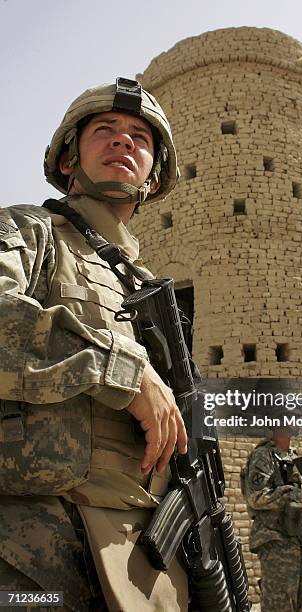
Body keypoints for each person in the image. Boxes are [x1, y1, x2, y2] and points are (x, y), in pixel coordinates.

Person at [0, 77, 189, 611]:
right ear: (68, 161)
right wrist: (120, 370)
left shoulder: (149, 290)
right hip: (33, 542)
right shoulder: (31, 232)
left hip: (144, 545)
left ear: (153, 178)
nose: (123, 141)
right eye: (105, 130)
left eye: (139, 137)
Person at [242, 427, 302, 612]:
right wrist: (294, 495)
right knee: (280, 602)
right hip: (276, 540)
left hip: (301, 541)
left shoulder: (296, 457)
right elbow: (256, 497)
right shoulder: (264, 455)